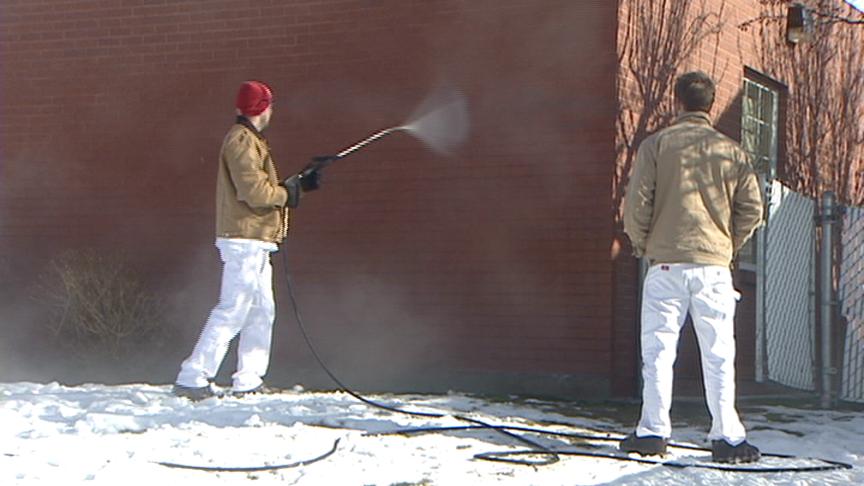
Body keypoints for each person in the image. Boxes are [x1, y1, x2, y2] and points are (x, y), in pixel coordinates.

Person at [621, 71, 764, 463]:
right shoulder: (730, 151)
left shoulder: (657, 145)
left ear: (677, 101)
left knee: (658, 351)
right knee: (719, 355)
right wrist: (728, 245)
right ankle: (727, 437)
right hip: (714, 267)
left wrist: (642, 244)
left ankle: (652, 432)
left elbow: (637, 205)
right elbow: (753, 208)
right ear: (711, 104)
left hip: (665, 264)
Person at [173, 80, 323, 400]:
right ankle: (193, 376)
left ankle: (249, 379)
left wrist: (297, 184)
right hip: (244, 240)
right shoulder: (241, 142)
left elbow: (261, 187)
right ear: (261, 108)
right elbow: (254, 193)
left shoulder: (250, 140)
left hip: (256, 240)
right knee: (233, 309)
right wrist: (291, 192)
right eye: (269, 104)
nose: (271, 110)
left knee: (261, 310)